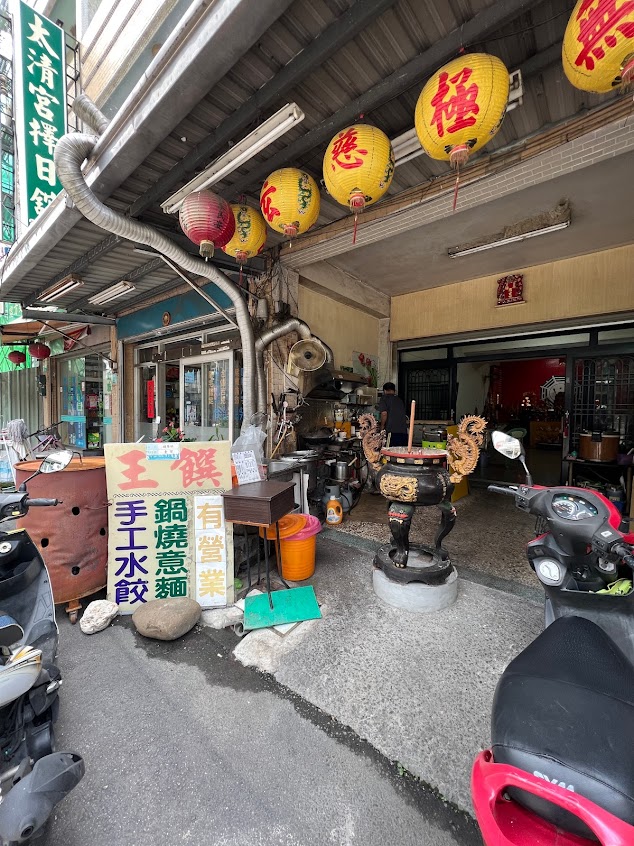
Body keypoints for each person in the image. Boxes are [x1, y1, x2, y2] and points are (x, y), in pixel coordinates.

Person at [377, 382, 409, 447]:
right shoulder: (400, 400)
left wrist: (382, 427)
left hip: (391, 432)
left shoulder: (384, 398)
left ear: (385, 391)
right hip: (403, 433)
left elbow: (384, 414)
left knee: (389, 454)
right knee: (401, 455)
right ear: (394, 391)